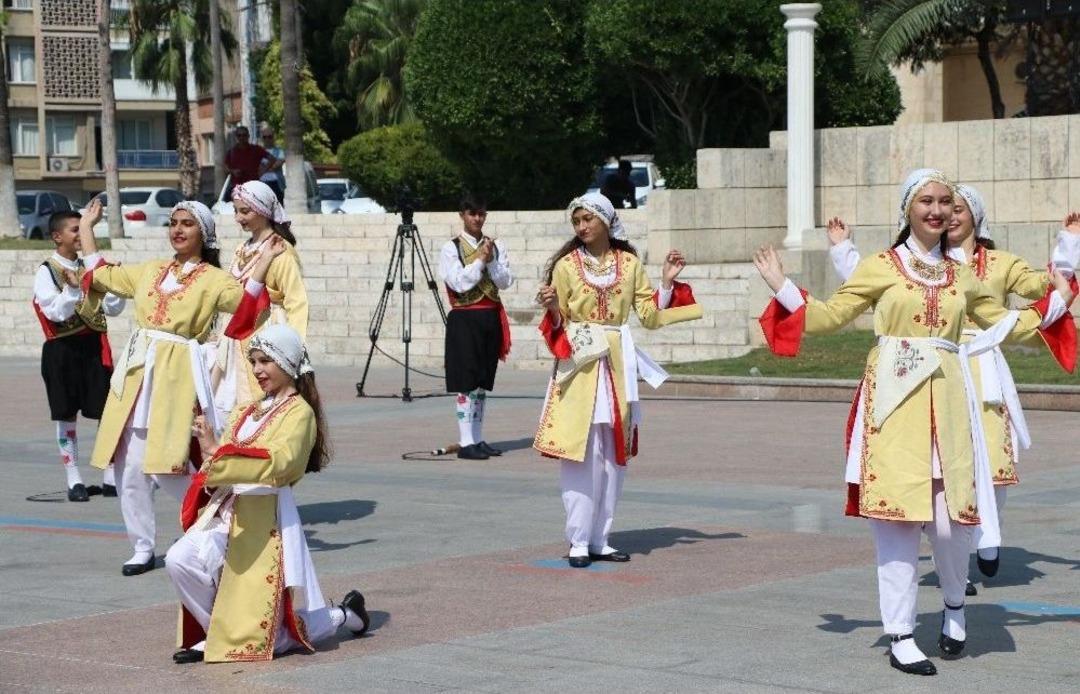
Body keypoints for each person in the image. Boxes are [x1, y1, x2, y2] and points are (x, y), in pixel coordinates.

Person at [753, 169, 1076, 676]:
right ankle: (901, 633)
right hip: (894, 405)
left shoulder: (962, 273)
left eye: (945, 202)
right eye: (926, 200)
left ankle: (953, 606)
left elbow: (1006, 325)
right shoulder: (882, 266)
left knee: (950, 526)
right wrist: (783, 287)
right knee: (897, 524)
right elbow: (829, 317)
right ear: (908, 208)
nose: (936, 209)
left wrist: (1057, 302)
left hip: (948, 401)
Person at [824, 189, 1080, 595]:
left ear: (974, 216)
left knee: (989, 457)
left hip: (981, 362)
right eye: (943, 207)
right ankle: (949, 567)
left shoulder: (995, 265)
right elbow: (868, 283)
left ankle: (986, 539)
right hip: (926, 370)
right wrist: (841, 252)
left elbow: (1043, 285)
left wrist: (1067, 249)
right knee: (932, 468)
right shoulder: (914, 262)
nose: (949, 215)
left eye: (957, 208)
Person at [77, 198, 277, 577]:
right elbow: (102, 276)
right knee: (130, 468)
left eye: (187, 223)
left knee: (168, 466)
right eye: (173, 223)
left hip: (178, 375)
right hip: (137, 375)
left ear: (203, 232)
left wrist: (264, 263)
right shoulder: (150, 270)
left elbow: (253, 307)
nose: (178, 230)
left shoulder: (215, 280)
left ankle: (219, 519)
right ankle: (141, 546)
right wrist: (87, 228)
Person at [167, 324, 369, 664]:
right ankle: (222, 633)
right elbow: (221, 458)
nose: (258, 370)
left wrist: (220, 453)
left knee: (273, 638)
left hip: (265, 517)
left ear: (287, 363)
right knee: (180, 560)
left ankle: (343, 615)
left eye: (266, 362)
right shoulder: (247, 410)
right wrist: (208, 448)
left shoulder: (300, 413)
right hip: (226, 509)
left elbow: (281, 464)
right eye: (255, 361)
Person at [534, 192, 702, 568]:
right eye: (576, 221)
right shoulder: (565, 266)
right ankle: (578, 539)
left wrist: (667, 283)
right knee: (582, 453)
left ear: (605, 221)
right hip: (581, 366)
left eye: (587, 219)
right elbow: (556, 323)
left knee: (612, 454)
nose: (581, 227)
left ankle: (601, 538)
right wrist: (551, 307)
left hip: (617, 365)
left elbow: (649, 314)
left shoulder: (629, 263)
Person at [32, 210, 125, 501]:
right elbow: (54, 312)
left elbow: (112, 309)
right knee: (66, 413)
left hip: (94, 347)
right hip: (62, 349)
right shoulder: (46, 271)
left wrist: (115, 285)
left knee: (105, 412)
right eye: (75, 230)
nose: (81, 235)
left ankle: (110, 476)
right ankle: (74, 479)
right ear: (57, 237)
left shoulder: (92, 267)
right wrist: (72, 288)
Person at [211, 180, 308, 418]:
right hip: (237, 331)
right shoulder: (241, 248)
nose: (238, 217)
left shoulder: (280, 249)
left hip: (267, 327)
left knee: (263, 401)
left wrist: (295, 346)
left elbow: (296, 300)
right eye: (236, 211)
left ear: (263, 211)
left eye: (245, 211)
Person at [437, 192, 512, 460]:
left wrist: (490, 259)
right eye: (472, 213)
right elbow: (458, 283)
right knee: (466, 382)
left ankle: (477, 438)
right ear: (462, 215)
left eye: (481, 214)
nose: (477, 219)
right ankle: (466, 441)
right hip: (465, 317)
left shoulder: (496, 246)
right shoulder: (451, 248)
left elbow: (505, 281)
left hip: (490, 317)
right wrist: (480, 260)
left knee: (481, 383)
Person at [225, 126, 277, 192]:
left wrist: (262, 171)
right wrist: (233, 171)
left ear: (248, 136)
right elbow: (225, 168)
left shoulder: (256, 149)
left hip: (254, 187)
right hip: (238, 188)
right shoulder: (231, 152)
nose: (242, 137)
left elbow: (272, 159)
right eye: (239, 135)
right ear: (236, 137)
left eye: (244, 135)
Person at [257, 125, 286, 203]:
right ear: (261, 138)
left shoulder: (280, 151)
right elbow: (255, 167)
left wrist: (263, 167)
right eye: (264, 137)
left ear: (273, 137)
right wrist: (270, 166)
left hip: (276, 184)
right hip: (261, 184)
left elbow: (276, 166)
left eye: (269, 137)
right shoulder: (257, 152)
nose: (267, 139)